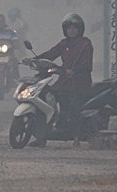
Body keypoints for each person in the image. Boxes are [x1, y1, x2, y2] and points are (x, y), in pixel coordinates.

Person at [23, 13, 93, 148]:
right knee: (43, 100)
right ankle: (41, 137)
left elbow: (87, 65)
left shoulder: (85, 43)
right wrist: (33, 60)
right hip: (63, 81)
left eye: (75, 28)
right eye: (69, 28)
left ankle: (76, 138)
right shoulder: (63, 43)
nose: (72, 30)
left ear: (80, 29)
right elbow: (50, 54)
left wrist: (74, 71)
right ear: (65, 30)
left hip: (79, 83)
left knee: (74, 106)